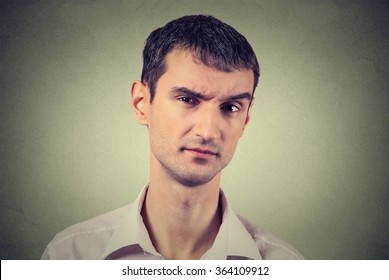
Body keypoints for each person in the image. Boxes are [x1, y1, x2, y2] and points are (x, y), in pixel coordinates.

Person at [41, 15, 304, 260]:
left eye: (231, 107)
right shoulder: (70, 255)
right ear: (142, 103)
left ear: (246, 118)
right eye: (187, 99)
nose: (208, 132)